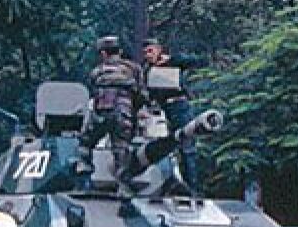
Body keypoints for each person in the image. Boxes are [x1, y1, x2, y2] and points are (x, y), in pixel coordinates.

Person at [78, 36, 144, 198]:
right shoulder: (133, 69)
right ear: (120, 52)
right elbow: (141, 94)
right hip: (124, 115)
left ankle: (84, 181)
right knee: (121, 151)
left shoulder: (97, 71)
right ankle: (124, 187)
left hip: (101, 114)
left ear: (103, 54)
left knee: (84, 144)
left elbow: (93, 91)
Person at [142, 37, 208, 193]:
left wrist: (173, 60)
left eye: (150, 51)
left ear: (159, 50)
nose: (148, 55)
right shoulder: (147, 70)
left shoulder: (174, 62)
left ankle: (192, 188)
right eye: (145, 52)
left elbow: (198, 61)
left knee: (187, 146)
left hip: (179, 107)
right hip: (162, 111)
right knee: (166, 147)